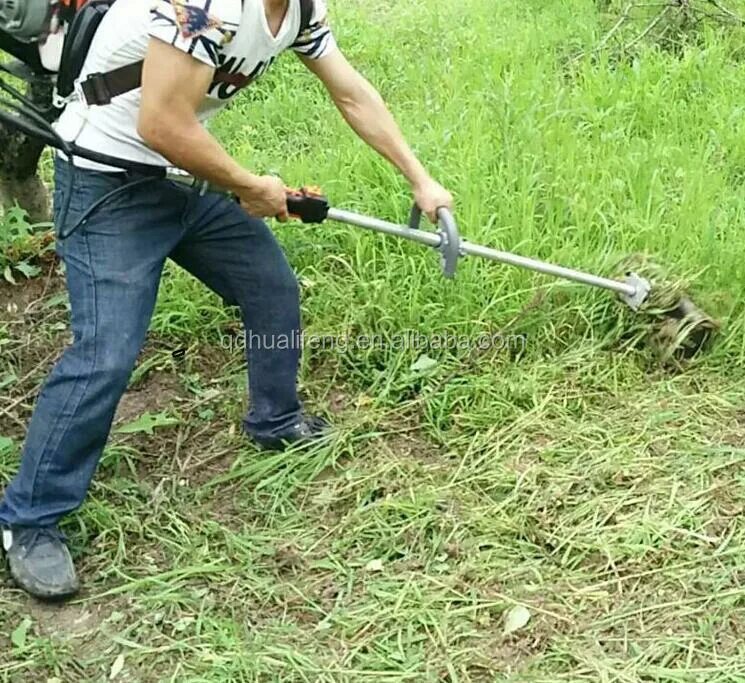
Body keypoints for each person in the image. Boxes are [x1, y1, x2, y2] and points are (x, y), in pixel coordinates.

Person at [0, 0, 454, 601]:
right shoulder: (204, 5)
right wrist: (249, 185)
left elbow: (352, 93)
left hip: (186, 177)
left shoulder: (299, 10)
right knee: (106, 353)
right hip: (107, 181)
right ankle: (29, 520)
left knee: (268, 287)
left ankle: (276, 419)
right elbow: (159, 122)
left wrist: (420, 179)